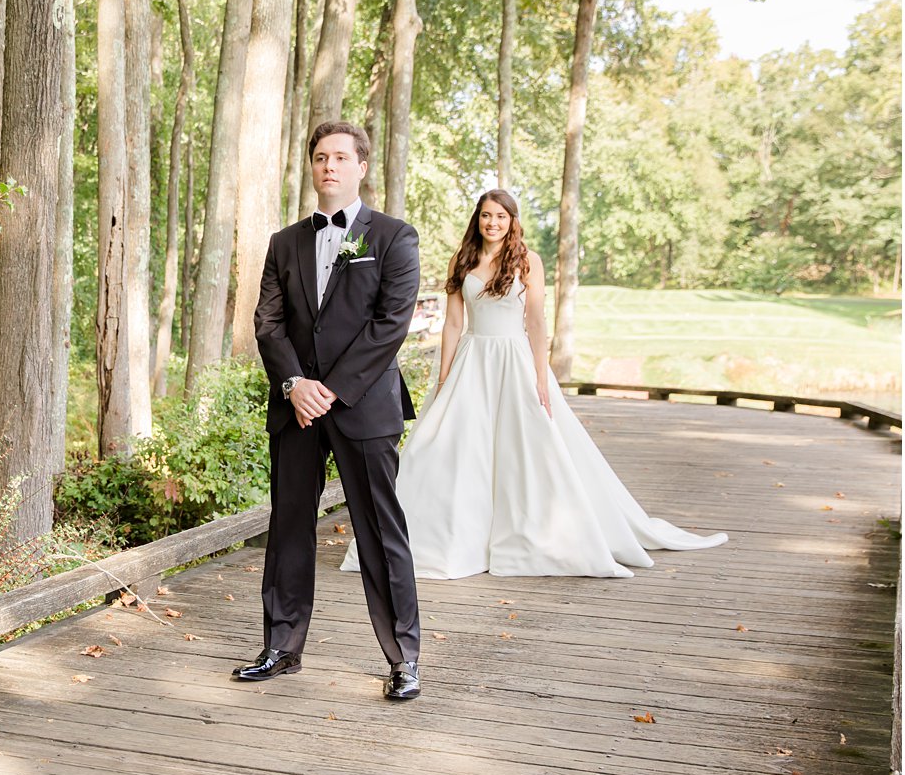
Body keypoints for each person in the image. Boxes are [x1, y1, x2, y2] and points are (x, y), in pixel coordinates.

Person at [341, 189, 727, 580]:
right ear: (478, 219)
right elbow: (454, 323)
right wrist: (443, 379)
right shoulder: (462, 260)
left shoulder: (527, 261)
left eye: (501, 217)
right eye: (486, 216)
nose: (492, 223)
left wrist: (542, 379)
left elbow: (537, 323)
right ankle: (448, 537)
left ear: (512, 222)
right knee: (451, 448)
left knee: (526, 447)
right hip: (472, 362)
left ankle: (536, 535)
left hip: (515, 362)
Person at [233, 121, 424, 702]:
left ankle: (403, 658)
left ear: (361, 166)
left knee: (379, 531)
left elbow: (389, 325)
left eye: (341, 157)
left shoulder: (393, 237)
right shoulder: (283, 242)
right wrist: (294, 384)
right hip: (295, 409)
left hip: (362, 406)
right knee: (289, 526)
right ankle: (281, 647)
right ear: (311, 167)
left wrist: (330, 389)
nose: (329, 166)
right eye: (320, 157)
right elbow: (268, 323)